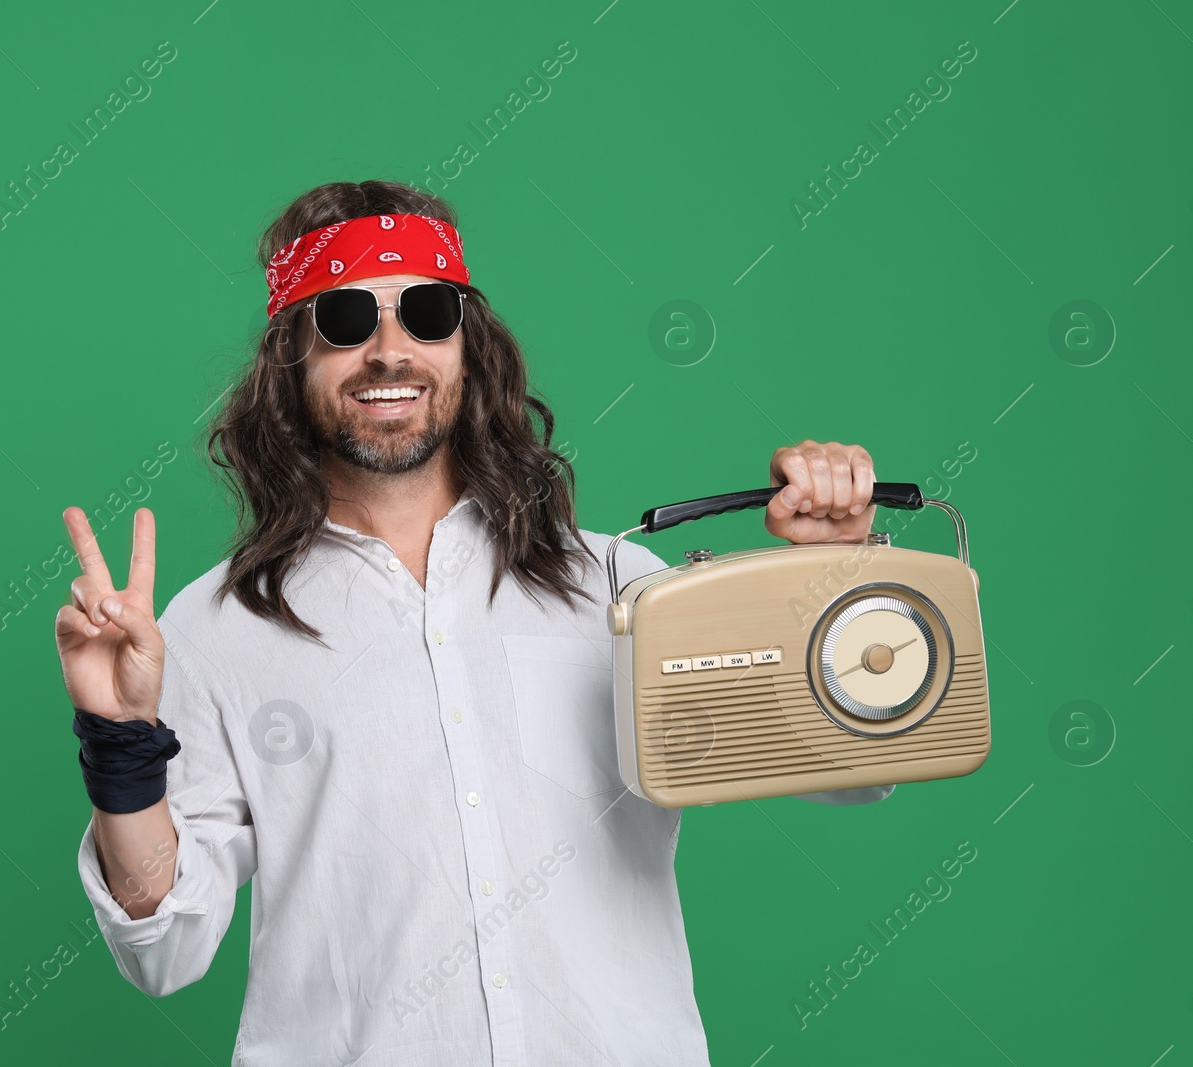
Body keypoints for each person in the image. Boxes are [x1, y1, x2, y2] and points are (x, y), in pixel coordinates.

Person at [56, 180, 962, 1065]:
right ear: (290, 359)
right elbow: (161, 951)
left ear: (468, 344)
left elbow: (849, 773)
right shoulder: (215, 626)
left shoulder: (619, 587)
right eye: (342, 320)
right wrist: (119, 737)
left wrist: (834, 579)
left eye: (425, 312)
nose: (387, 349)